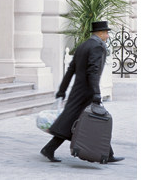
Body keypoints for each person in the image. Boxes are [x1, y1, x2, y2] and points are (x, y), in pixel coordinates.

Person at [40, 20, 124, 163]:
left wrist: (62, 90)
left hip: (78, 91)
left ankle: (108, 154)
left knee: (79, 121)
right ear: (101, 33)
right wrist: (96, 93)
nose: (108, 36)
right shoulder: (97, 46)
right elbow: (93, 72)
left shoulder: (83, 46)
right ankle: (49, 149)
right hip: (87, 92)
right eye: (107, 33)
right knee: (93, 121)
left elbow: (70, 70)